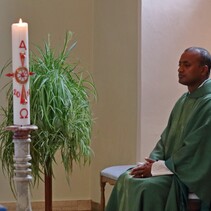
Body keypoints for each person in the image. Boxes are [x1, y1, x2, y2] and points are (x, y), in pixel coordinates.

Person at [106, 47, 211, 211]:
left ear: (204, 70)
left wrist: (156, 169)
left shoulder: (208, 104)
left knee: (145, 188)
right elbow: (166, 138)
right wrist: (152, 162)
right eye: (179, 64)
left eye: (186, 65)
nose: (180, 69)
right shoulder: (184, 100)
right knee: (126, 178)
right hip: (169, 168)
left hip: (187, 176)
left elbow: (194, 150)